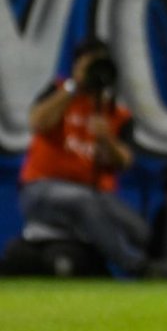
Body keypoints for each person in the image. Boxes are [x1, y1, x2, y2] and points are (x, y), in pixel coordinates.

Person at [18, 38, 150, 275]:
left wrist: (106, 139)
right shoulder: (58, 92)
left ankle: (159, 267)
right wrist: (73, 85)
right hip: (42, 189)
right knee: (85, 202)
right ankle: (135, 266)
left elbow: (125, 161)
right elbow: (37, 122)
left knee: (139, 230)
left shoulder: (116, 113)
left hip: (96, 193)